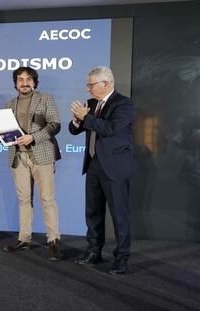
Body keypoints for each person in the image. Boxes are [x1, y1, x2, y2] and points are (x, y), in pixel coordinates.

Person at [69, 66, 137, 274]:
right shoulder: (90, 104)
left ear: (105, 84)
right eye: (88, 85)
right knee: (93, 213)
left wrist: (86, 117)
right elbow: (74, 130)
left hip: (114, 167)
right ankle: (93, 251)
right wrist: (77, 119)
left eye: (91, 85)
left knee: (119, 215)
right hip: (93, 165)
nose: (88, 89)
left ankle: (121, 258)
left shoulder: (123, 103)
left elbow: (111, 129)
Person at [0, 67, 62, 260]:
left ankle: (53, 240)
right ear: (15, 83)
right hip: (18, 157)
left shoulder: (46, 98)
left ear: (34, 82)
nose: (24, 83)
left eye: (28, 79)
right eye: (20, 79)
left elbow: (55, 125)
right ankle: (24, 238)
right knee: (24, 200)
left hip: (42, 155)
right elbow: (8, 137)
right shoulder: (8, 105)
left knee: (47, 199)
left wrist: (32, 137)